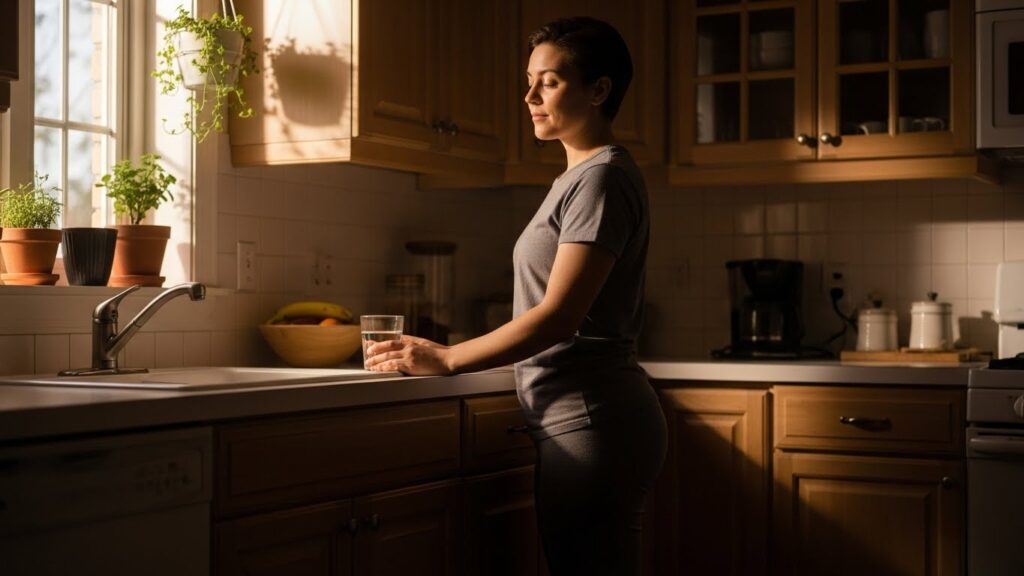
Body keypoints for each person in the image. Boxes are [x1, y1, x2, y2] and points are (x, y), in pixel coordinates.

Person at [365, 16, 667, 575]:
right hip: (579, 415)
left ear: (599, 90)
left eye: (548, 82)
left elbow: (558, 318)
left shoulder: (601, 178)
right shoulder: (579, 178)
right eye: (528, 80)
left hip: (591, 417)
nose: (528, 96)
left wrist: (449, 357)